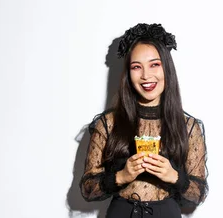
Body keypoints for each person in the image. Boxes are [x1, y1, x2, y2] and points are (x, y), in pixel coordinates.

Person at [80, 23, 208, 218]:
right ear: (128, 74)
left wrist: (174, 176)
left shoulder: (188, 127)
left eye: (154, 64)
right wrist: (121, 176)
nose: (146, 75)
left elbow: (198, 194)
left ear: (167, 68)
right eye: (136, 67)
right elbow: (87, 189)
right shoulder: (108, 123)